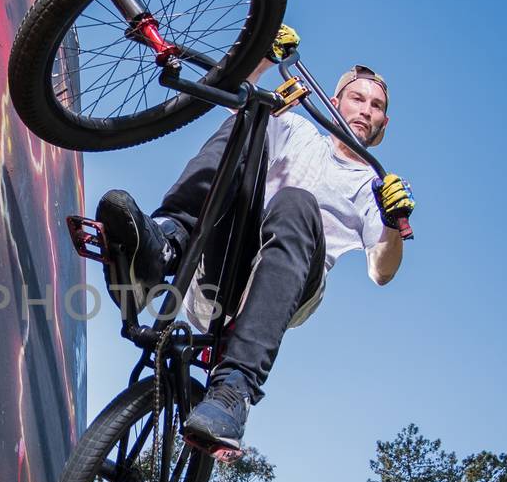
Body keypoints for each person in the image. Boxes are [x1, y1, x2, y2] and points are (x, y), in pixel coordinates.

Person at [95, 28, 415, 454]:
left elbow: (383, 271)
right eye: (357, 98)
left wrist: (393, 222)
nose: (365, 110)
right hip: (220, 267)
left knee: (295, 203)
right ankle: (166, 243)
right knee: (252, 114)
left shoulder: (375, 185)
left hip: (289, 283)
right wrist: (263, 57)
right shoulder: (297, 130)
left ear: (384, 123)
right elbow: (237, 94)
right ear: (335, 103)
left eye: (376, 106)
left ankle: (233, 390)